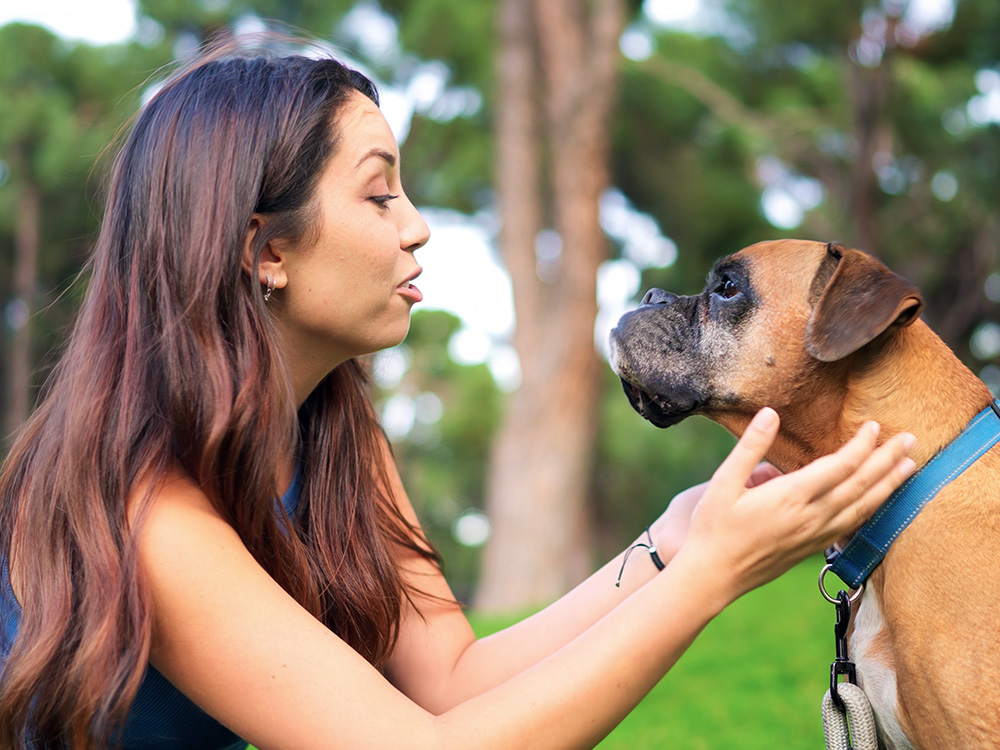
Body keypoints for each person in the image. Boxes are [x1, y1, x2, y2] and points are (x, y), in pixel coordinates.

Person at [0, 37, 916, 750]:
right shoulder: (147, 508)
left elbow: (452, 681)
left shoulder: (330, 437)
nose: (418, 228)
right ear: (264, 250)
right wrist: (713, 575)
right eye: (377, 196)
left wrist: (673, 541)